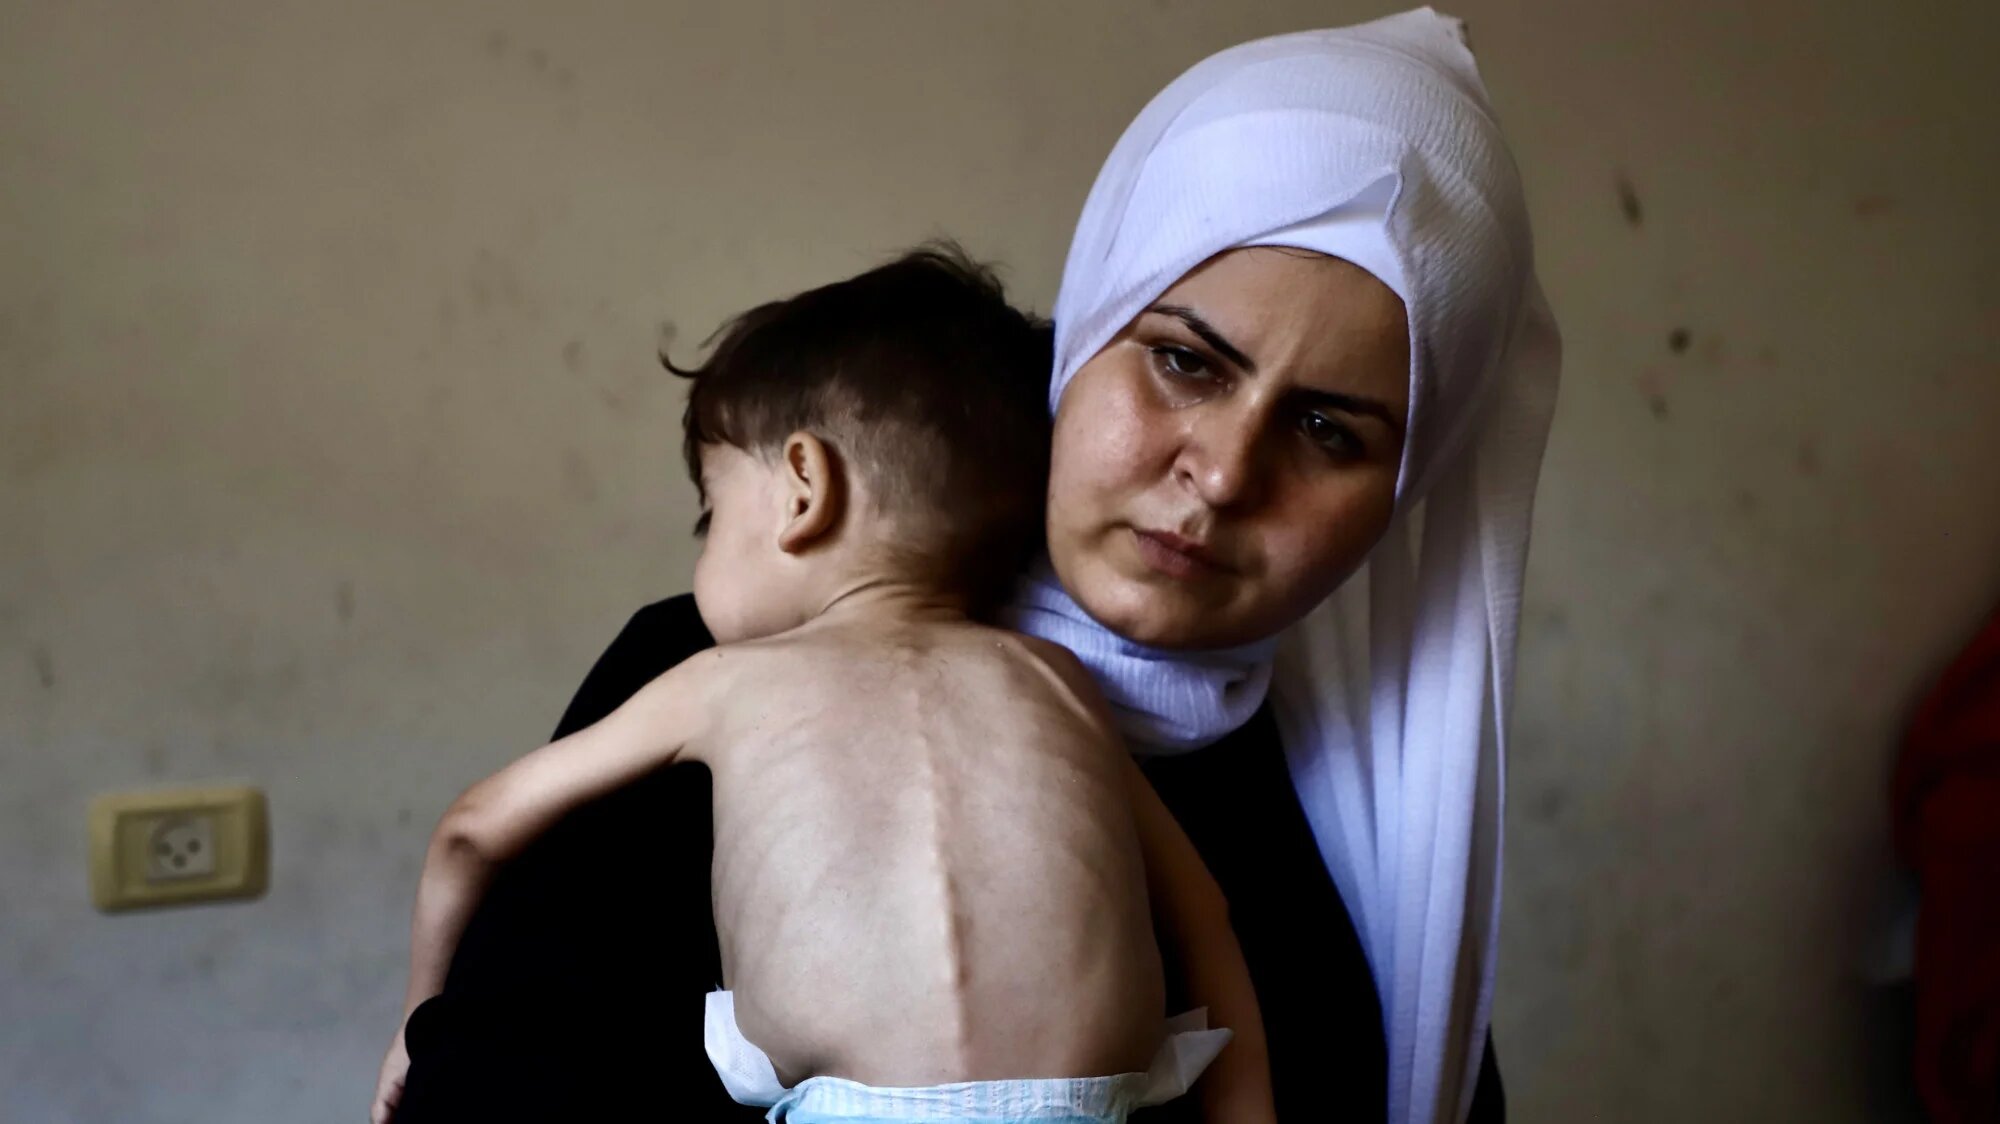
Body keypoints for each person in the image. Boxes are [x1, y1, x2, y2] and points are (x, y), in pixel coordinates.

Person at [391, 9, 1558, 1123]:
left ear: (1406, 492)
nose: (1221, 471)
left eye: (1326, 430)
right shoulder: (716, 668)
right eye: (1183, 362)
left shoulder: (1378, 819)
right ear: (1086, 327)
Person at [372, 248, 1273, 1124]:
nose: (703, 555)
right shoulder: (1059, 680)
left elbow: (470, 833)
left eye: (711, 512)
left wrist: (419, 1028)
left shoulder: (717, 683)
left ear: (803, 488)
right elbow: (1205, 917)